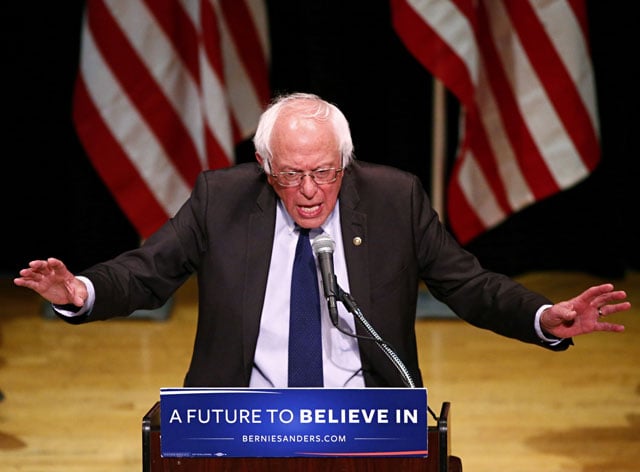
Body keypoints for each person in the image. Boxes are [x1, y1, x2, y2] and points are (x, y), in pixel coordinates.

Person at [14, 92, 630, 389]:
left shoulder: (394, 200)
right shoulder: (221, 200)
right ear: (264, 165)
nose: (309, 190)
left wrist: (547, 317)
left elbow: (470, 287)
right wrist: (80, 290)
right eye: (291, 174)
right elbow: (146, 272)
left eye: (325, 173)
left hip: (367, 418)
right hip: (244, 420)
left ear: (345, 161)